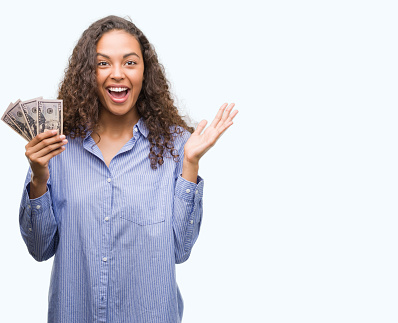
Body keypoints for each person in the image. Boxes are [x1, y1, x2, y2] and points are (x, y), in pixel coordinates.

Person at [19, 15, 238, 323]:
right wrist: (39, 177)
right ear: (87, 74)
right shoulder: (56, 148)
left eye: (130, 62)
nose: (117, 74)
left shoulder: (177, 147)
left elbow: (179, 249)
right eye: (103, 63)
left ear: (144, 72)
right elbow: (40, 249)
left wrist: (190, 164)